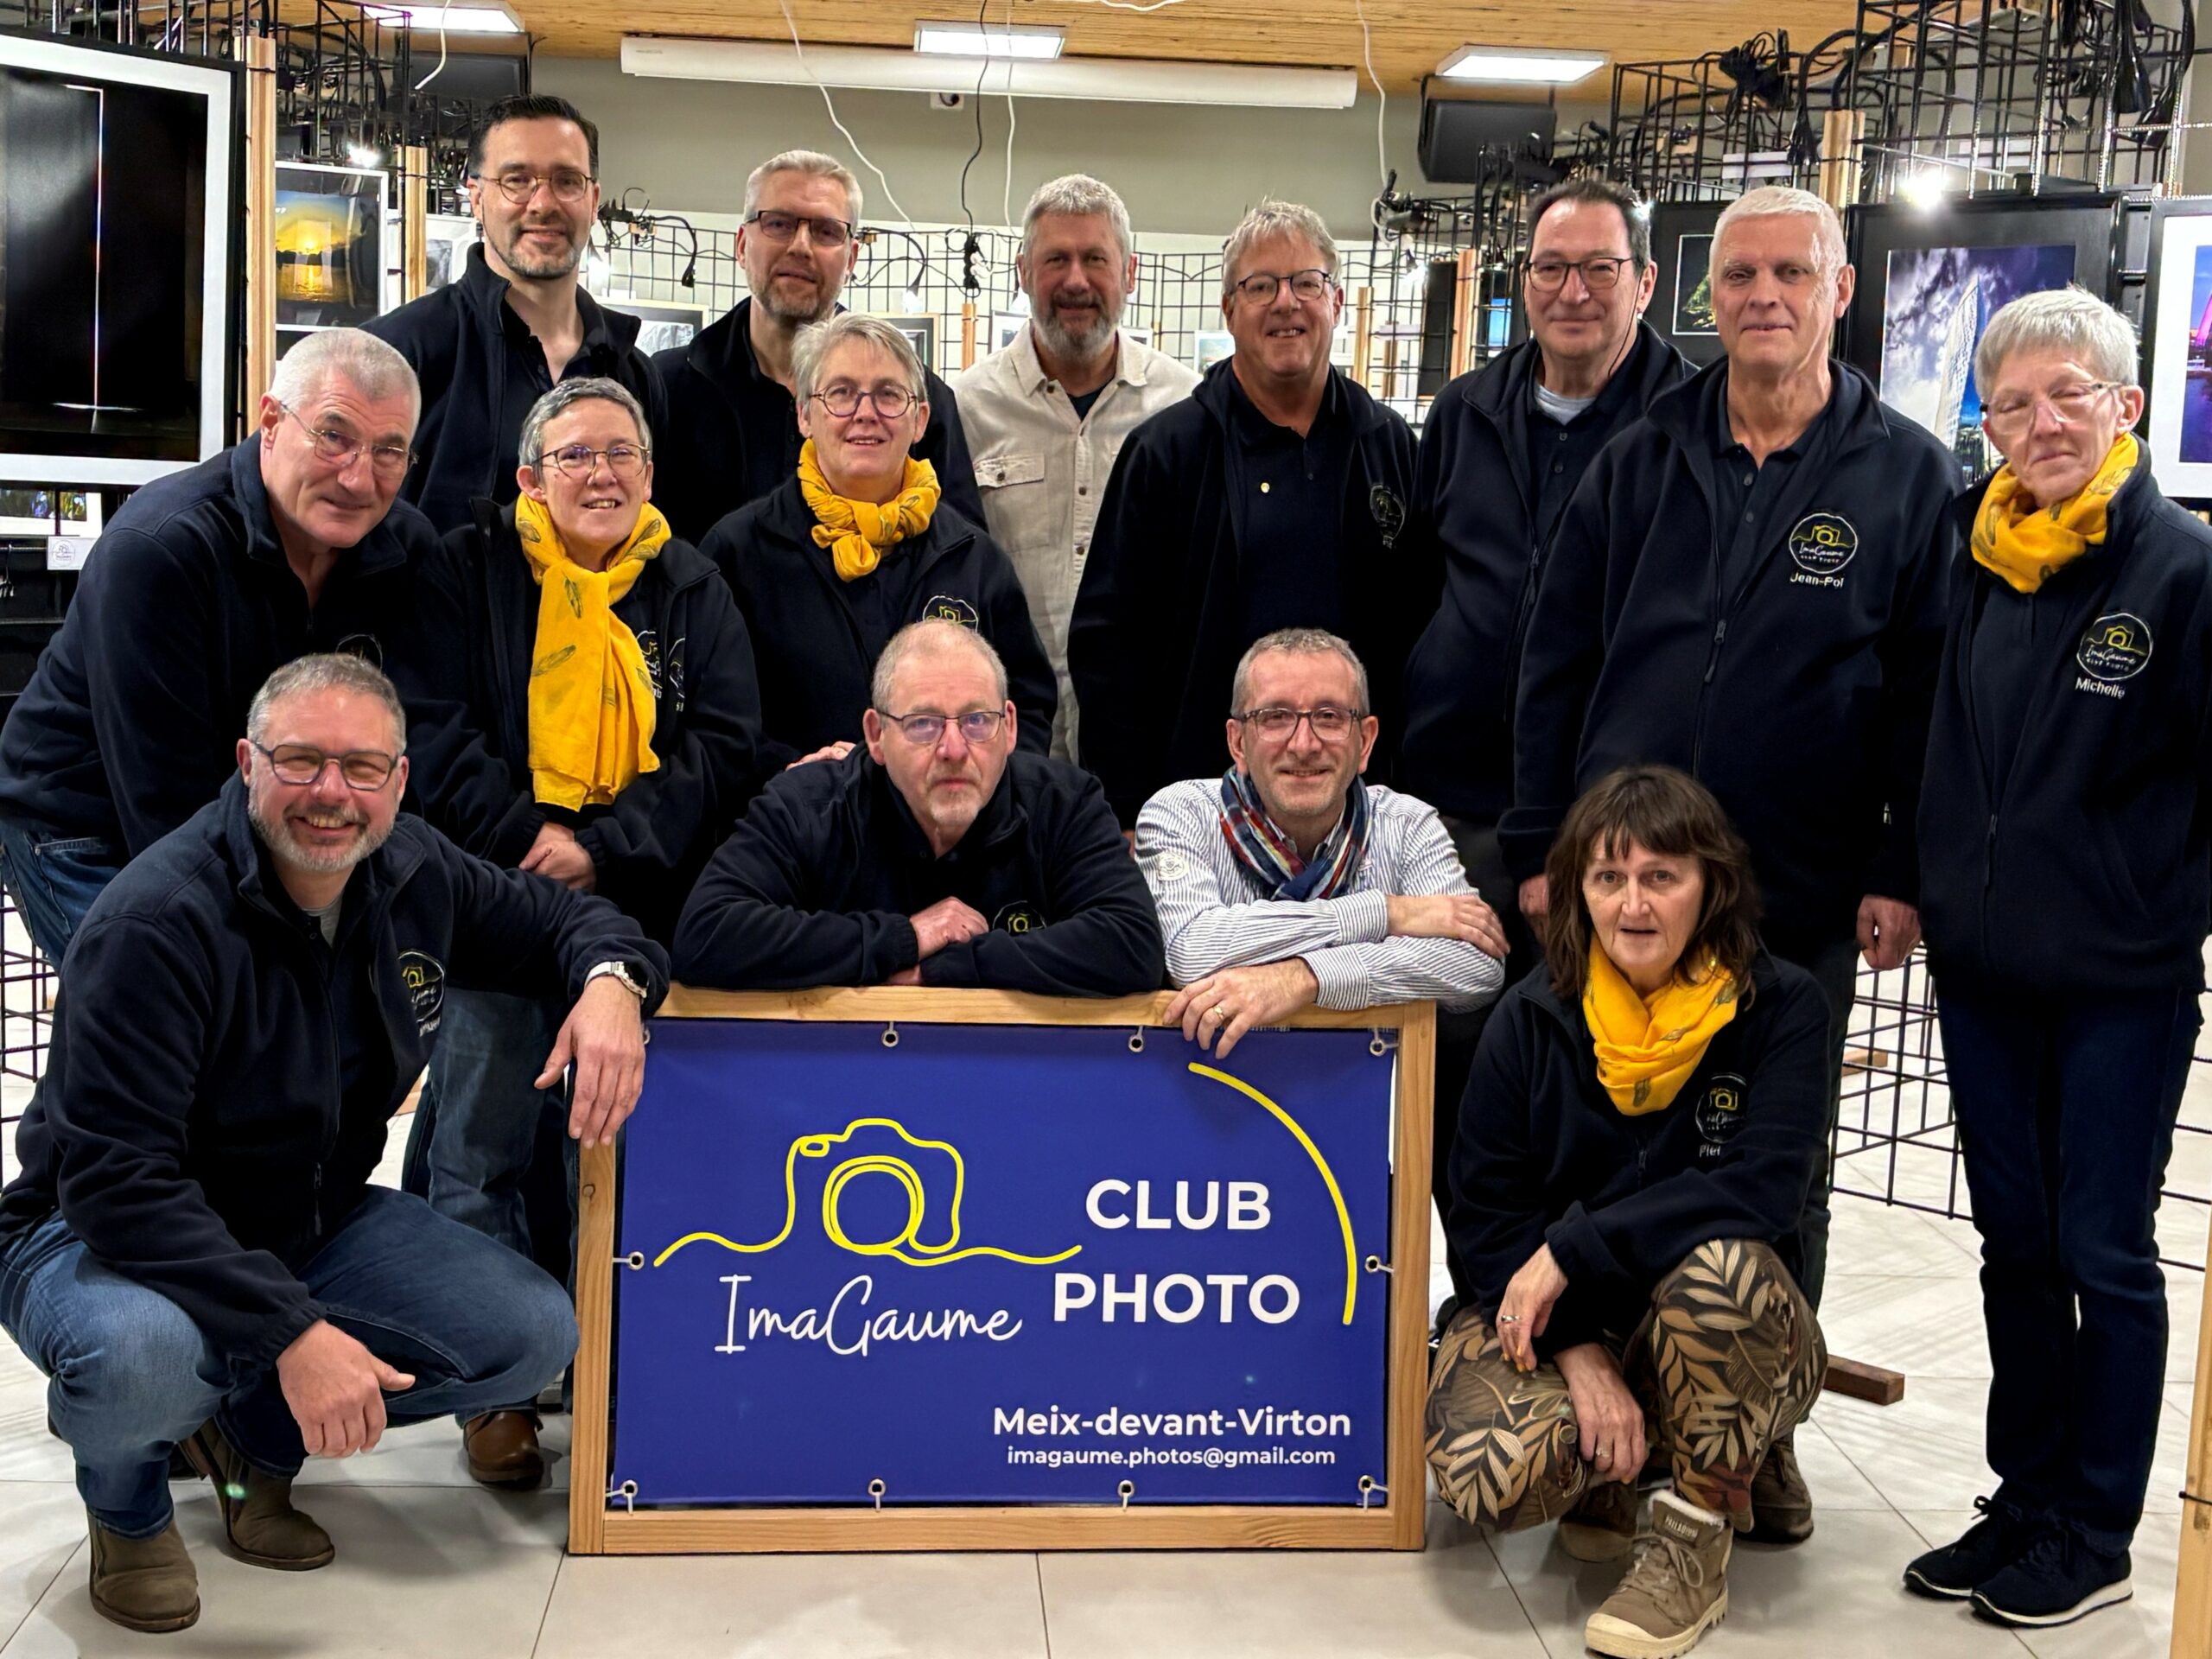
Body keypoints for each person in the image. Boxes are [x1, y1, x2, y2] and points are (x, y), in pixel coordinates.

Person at [0, 655, 665, 1635]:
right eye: (300, 761)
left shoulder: (414, 871)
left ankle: (247, 1440)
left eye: (361, 768)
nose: (330, 794)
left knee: (531, 1335)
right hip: (98, 1234)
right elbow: (115, 1183)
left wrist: (612, 982)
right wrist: (292, 1334)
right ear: (247, 764)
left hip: (306, 1214)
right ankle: (128, 1504)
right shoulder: (155, 921)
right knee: (147, 1361)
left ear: (399, 780)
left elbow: (566, 917)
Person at [1504, 187, 1955, 1446]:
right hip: (1622, 880)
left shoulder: (1906, 474)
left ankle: (1758, 1437)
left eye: (1791, 274)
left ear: (1840, 291)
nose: (1763, 298)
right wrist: (1543, 840)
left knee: (1779, 1169)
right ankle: (1621, 1410)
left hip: (1795, 885)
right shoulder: (1640, 453)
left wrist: (1899, 864)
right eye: (1741, 275)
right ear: (1705, 295)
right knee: (1604, 1139)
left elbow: (1926, 693)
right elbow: (1555, 656)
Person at [389, 377, 763, 1483]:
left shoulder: (691, 584)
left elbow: (723, 745)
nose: (600, 474)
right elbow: (431, 728)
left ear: (649, 474)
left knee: (613, 1152)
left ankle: (605, 1374)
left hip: (633, 908)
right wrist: (528, 836)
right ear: (529, 478)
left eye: (620, 455)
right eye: (575, 456)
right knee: (478, 1150)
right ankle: (491, 1392)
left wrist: (604, 846)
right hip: (492, 899)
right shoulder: (464, 569)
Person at [1904, 288, 2209, 1628]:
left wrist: (2152, 902)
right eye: (2013, 404)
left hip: (2119, 982)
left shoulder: (2181, 570)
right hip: (1984, 973)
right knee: (2013, 1243)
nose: (2040, 425)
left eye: (2067, 397)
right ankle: (2026, 1499)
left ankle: (2096, 1527)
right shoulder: (1975, 553)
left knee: (2104, 1249)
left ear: (2124, 406)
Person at [1428, 765, 1828, 1659]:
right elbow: (1484, 1216)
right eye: (1608, 877)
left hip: (1728, 1325)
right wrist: (1578, 1353)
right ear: (1577, 890)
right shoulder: (1529, 1016)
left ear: (1711, 885)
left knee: (1723, 1269)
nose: (1633, 906)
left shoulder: (1783, 1007)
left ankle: (1694, 1531)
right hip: (1579, 1325)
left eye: (1661, 876)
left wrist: (1572, 1248)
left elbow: (1764, 1191)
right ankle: (1618, 1463)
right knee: (1487, 1471)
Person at [1399, 177, 1693, 1307]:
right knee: (1461, 1078)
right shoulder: (1464, 412)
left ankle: (1592, 1320)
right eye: (1551, 268)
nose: (1573, 291)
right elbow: (1417, 585)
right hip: (1457, 809)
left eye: (1599, 268)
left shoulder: (1689, 422)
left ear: (1645, 281)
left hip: (1616, 824)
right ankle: (1487, 1316)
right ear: (1523, 282)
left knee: (1601, 1083)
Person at [0, 329, 435, 966]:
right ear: (271, 423)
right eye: (333, 437)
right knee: (171, 992)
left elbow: (413, 739)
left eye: (389, 451)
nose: (357, 477)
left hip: (276, 812)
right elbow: (163, 808)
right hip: (87, 822)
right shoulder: (160, 551)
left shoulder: (407, 550)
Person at [1068, 199, 1425, 826]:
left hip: (1359, 812)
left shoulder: (1388, 445)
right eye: (1260, 286)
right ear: (1229, 310)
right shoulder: (1166, 455)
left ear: (1337, 303)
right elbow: (1109, 646)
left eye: (1306, 283)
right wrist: (1124, 810)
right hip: (1198, 810)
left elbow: (1418, 629)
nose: (1286, 303)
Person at [674, 619, 1161, 995]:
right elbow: (707, 933)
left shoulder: (1066, 803)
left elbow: (1132, 943)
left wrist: (949, 966)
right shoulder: (808, 805)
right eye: (924, 724)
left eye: (977, 720)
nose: (954, 749)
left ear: (1010, 726)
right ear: (876, 735)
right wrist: (903, 939)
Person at [698, 314, 1054, 772]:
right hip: (789, 814)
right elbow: (710, 719)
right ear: (805, 414)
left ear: (920, 420)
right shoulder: (736, 553)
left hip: (947, 816)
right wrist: (791, 774)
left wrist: (975, 782)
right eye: (841, 392)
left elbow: (1027, 709)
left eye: (888, 394)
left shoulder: (973, 560)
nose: (865, 413)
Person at [1137, 626, 1503, 1058]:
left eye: (1329, 717)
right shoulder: (1180, 812)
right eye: (1276, 716)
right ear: (1237, 742)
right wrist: (1386, 913)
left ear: (1365, 741)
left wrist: (1306, 977)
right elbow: (1191, 953)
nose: (1304, 744)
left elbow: (1477, 966)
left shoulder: (1407, 824)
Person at [952, 174, 1200, 760]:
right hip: (1004, 742)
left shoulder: (1185, 407)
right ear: (1022, 273)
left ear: (1130, 273)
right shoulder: (966, 410)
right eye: (1055, 259)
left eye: (1095, 259)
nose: (1075, 280)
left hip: (1147, 741)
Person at [366, 93, 665, 533]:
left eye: (567, 181)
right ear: (476, 197)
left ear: (593, 199)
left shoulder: (633, 374)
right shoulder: (398, 353)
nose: (543, 203)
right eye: (517, 180)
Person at [653, 149, 983, 543]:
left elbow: (961, 557)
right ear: (741, 245)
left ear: (851, 258)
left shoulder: (914, 399)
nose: (801, 246)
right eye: (778, 224)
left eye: (826, 231)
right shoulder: (668, 388)